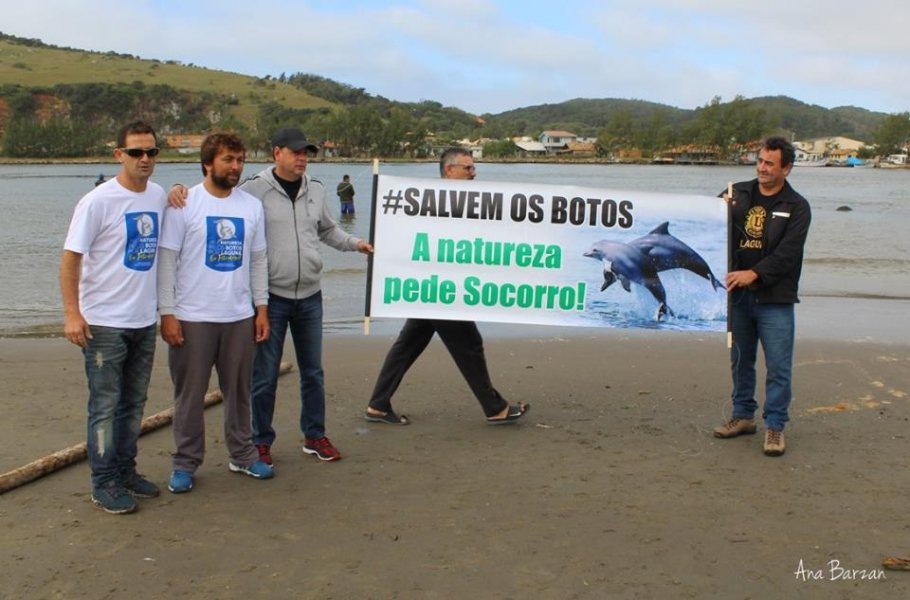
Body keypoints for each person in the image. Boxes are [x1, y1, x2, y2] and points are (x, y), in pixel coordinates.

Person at [168, 127, 372, 466]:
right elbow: (215, 199)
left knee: (314, 372)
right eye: (296, 152)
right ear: (277, 153)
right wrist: (175, 191)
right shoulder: (252, 191)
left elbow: (327, 230)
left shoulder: (317, 190)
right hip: (271, 299)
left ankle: (315, 435)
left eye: (307, 153)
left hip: (310, 296)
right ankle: (260, 441)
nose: (302, 158)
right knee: (262, 376)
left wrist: (355, 244)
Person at [364, 147, 528, 426]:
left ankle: (378, 404)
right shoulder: (432, 201)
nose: (473, 173)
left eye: (474, 168)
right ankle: (494, 407)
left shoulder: (467, 202)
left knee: (409, 344)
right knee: (468, 344)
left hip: (436, 287)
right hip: (440, 289)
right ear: (449, 170)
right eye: (468, 168)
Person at [60, 120, 166, 514]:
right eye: (136, 152)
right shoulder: (98, 202)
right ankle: (103, 481)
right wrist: (73, 313)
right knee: (105, 404)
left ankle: (125, 470)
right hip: (103, 322)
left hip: (143, 320)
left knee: (134, 402)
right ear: (118, 154)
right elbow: (71, 259)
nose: (144, 159)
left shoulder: (156, 195)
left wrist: (175, 194)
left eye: (151, 152)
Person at [158, 133, 273, 494]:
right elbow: (167, 261)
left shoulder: (251, 206)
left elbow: (257, 260)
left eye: (240, 160)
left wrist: (261, 308)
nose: (236, 167)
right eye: (228, 160)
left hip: (238, 316)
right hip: (193, 317)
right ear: (208, 163)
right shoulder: (184, 203)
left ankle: (242, 454)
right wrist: (168, 313)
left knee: (239, 392)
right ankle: (185, 462)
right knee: (189, 396)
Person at [713, 136, 811, 457]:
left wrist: (753, 273)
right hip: (738, 296)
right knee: (740, 359)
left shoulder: (797, 207)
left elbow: (787, 254)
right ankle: (743, 416)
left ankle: (775, 426)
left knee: (779, 366)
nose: (762, 168)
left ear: (787, 168)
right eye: (759, 161)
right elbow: (703, 219)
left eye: (770, 163)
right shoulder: (737, 193)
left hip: (776, 300)